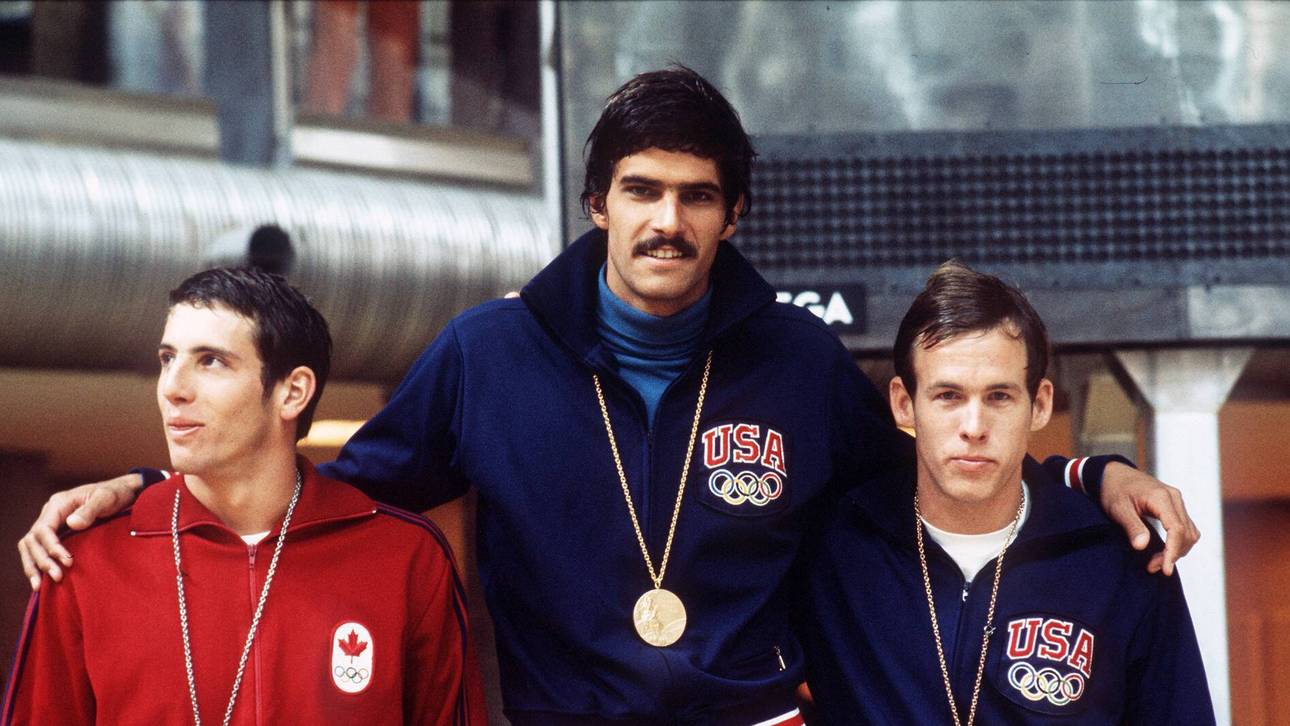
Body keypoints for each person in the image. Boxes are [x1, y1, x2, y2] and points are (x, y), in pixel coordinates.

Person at [17, 67, 1198, 724]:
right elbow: (329, 495)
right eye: (641, 189)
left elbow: (946, 474)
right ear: (596, 204)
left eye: (695, 195)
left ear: (734, 216)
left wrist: (1092, 471)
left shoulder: (795, 362)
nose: (666, 221)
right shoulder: (488, 354)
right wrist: (147, 490)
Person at [2, 268, 484, 725]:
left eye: (210, 361)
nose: (172, 388)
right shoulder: (84, 559)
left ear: (292, 392)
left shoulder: (406, 557)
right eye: (168, 359)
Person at [800, 261, 1213, 724]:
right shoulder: (832, 550)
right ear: (904, 403)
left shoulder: (1118, 560)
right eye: (948, 396)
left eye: (999, 396)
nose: (974, 428)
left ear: (1039, 405)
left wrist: (1095, 475)